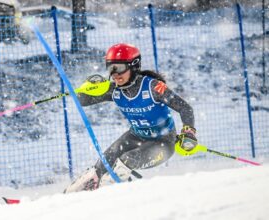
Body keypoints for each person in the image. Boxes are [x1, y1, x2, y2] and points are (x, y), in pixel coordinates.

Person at [64, 43, 198, 193]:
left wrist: (189, 131)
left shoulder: (153, 87)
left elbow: (184, 108)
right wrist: (89, 85)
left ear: (134, 66)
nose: (115, 74)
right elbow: (83, 100)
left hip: (163, 143)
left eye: (119, 68)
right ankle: (73, 195)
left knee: (127, 161)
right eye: (111, 68)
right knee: (103, 164)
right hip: (135, 136)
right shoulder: (113, 89)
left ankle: (108, 197)